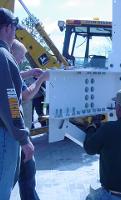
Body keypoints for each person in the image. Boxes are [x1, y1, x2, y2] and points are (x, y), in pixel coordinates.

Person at [0, 8, 34, 199]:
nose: (15, 34)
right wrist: (23, 138)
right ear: (7, 27)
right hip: (5, 134)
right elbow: (11, 100)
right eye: (14, 28)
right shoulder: (4, 55)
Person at [11, 39, 49, 200]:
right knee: (26, 171)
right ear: (12, 55)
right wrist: (41, 79)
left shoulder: (5, 68)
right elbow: (26, 96)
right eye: (20, 58)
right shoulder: (9, 68)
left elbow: (16, 74)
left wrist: (30, 73)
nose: (21, 61)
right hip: (14, 134)